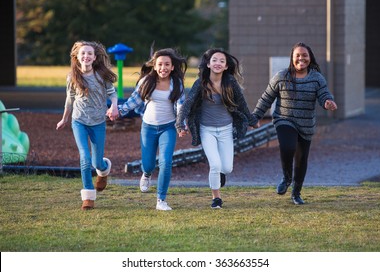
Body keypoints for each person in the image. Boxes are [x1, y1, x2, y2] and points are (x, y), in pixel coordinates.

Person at [252, 42, 338, 205]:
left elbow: (324, 94)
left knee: (301, 159)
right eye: (298, 55)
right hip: (284, 119)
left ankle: (296, 193)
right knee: (287, 146)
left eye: (304, 55)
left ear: (310, 58)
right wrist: (256, 116)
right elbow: (266, 98)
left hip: (306, 124)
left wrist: (328, 102)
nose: (301, 58)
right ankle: (286, 178)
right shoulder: (282, 76)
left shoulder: (316, 78)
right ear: (292, 58)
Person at [176, 48, 258, 209]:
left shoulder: (230, 83)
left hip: (226, 129)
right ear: (208, 64)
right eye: (214, 60)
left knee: (226, 167)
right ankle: (216, 198)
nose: (218, 63)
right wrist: (180, 123)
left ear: (226, 66)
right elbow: (188, 104)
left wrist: (252, 120)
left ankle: (220, 174)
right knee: (214, 164)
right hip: (207, 130)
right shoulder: (200, 83)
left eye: (222, 61)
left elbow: (241, 103)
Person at [118, 48, 187, 211]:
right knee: (148, 164)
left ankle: (161, 200)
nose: (163, 67)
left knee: (166, 162)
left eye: (167, 65)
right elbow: (133, 101)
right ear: (154, 66)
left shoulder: (177, 84)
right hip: (148, 127)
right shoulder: (146, 81)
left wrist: (181, 125)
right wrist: (119, 112)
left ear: (172, 67)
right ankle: (147, 174)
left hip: (168, 128)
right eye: (160, 64)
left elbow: (181, 106)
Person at [56, 41, 118, 210]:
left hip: (98, 122)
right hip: (79, 121)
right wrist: (64, 119)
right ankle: (88, 197)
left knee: (97, 162)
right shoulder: (72, 77)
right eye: (83, 53)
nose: (86, 56)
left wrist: (114, 106)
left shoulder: (101, 75)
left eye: (90, 53)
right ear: (77, 57)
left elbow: (113, 93)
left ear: (95, 57)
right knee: (84, 158)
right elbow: (70, 100)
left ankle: (104, 171)